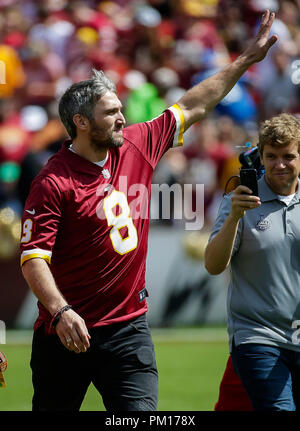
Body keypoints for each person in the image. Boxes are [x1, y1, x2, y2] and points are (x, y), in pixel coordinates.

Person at [20, 10, 277, 411]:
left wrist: (245, 60)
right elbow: (34, 258)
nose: (123, 118)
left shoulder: (137, 142)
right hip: (67, 331)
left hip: (128, 328)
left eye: (121, 109)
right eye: (111, 113)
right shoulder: (53, 181)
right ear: (81, 122)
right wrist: (60, 311)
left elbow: (193, 105)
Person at [205, 112, 300, 410]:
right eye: (271, 156)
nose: (280, 164)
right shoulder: (240, 200)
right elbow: (213, 265)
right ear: (260, 155)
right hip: (257, 336)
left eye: (288, 156)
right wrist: (234, 216)